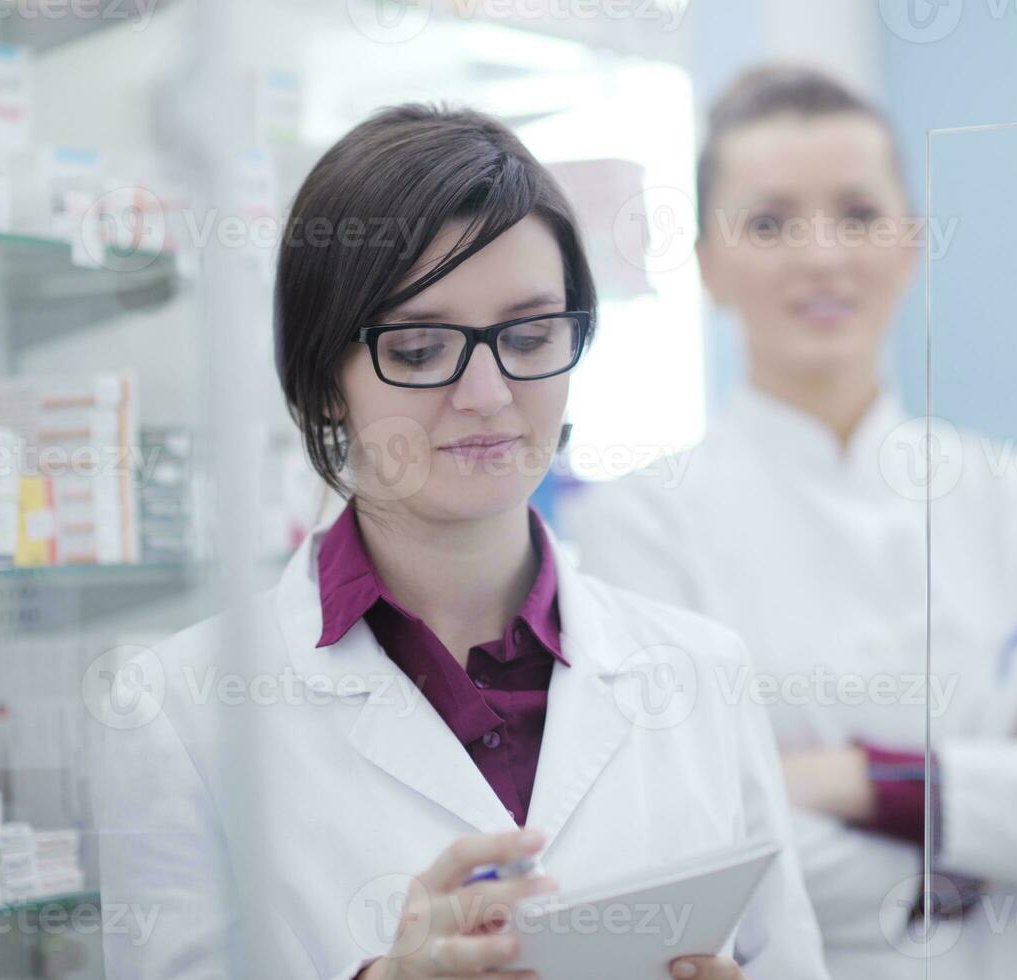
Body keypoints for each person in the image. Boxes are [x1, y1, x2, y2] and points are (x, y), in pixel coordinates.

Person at [90, 103, 830, 980]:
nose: (486, 393)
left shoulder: (702, 672)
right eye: (417, 347)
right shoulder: (177, 712)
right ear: (326, 379)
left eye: (528, 336)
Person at [559, 66, 1017, 980]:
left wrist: (854, 782)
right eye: (769, 222)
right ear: (707, 264)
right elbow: (685, 864)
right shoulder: (639, 528)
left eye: (858, 213)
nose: (822, 255)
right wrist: (993, 825)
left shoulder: (1013, 502)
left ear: (912, 242)